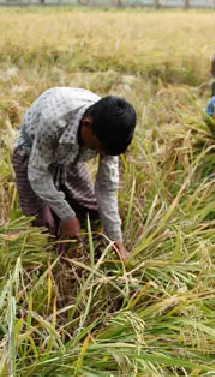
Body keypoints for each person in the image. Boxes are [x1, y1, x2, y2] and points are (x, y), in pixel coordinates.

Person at [13, 88, 137, 261]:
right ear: (87, 125)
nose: (98, 153)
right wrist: (66, 215)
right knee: (42, 226)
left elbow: (106, 190)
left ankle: (69, 221)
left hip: (71, 155)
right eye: (95, 149)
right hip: (33, 151)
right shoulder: (54, 121)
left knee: (91, 209)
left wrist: (117, 242)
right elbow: (38, 174)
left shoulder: (110, 133)